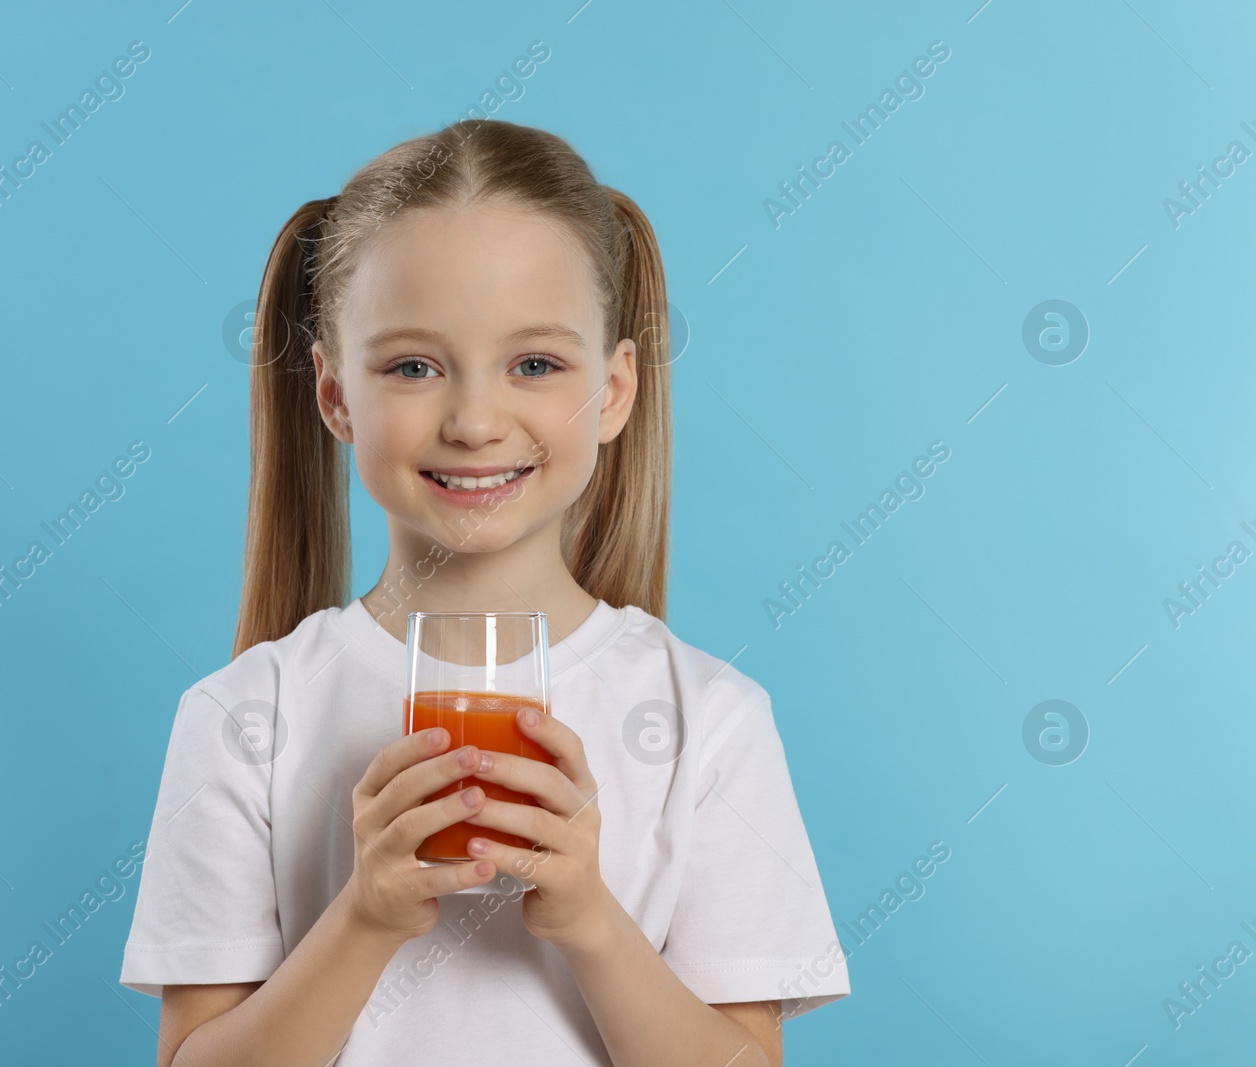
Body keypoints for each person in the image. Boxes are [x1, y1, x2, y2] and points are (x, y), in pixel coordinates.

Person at [118, 118, 850, 1066]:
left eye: (535, 364)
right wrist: (367, 917)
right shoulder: (240, 716)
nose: (473, 420)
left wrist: (590, 918)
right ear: (336, 395)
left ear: (616, 389)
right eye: (413, 366)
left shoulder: (708, 720)